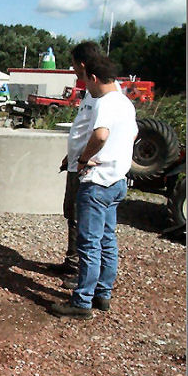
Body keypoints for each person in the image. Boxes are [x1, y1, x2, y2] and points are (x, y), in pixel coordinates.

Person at [50, 55, 138, 320]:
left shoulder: (104, 102)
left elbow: (100, 135)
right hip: (117, 180)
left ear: (95, 78)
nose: (85, 85)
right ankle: (103, 293)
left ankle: (82, 301)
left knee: (89, 243)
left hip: (97, 181)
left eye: (85, 80)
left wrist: (85, 158)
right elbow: (133, 134)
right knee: (108, 240)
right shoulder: (125, 102)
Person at [51, 42, 119, 288]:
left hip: (88, 167)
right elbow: (83, 128)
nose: (72, 70)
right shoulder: (91, 89)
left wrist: (82, 160)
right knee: (72, 214)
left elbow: (101, 133)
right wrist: (71, 156)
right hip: (76, 163)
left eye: (72, 64)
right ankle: (72, 261)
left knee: (85, 221)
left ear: (81, 64)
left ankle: (84, 275)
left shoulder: (103, 91)